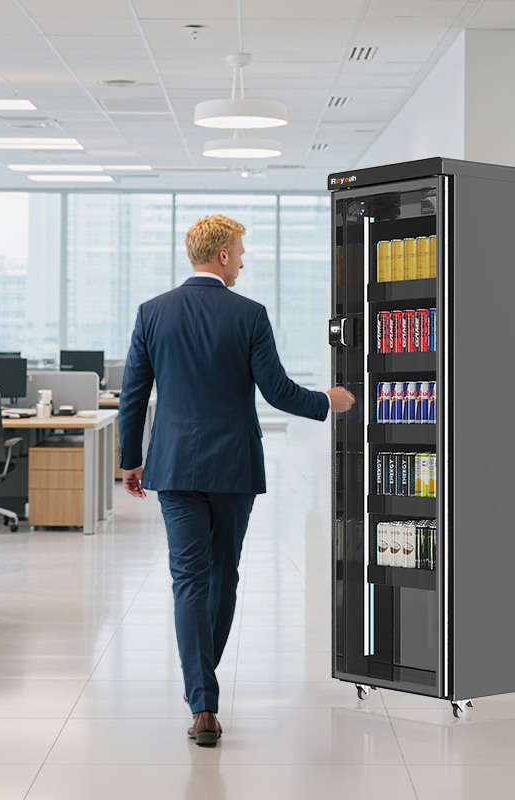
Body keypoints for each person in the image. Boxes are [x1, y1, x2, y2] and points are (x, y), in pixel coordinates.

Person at [118, 214, 355, 746]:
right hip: (233, 467)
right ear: (222, 254)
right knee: (223, 573)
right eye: (241, 251)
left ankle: (202, 698)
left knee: (188, 578)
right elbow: (277, 391)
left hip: (175, 467)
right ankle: (203, 686)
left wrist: (130, 460)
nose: (244, 260)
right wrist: (329, 402)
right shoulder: (249, 314)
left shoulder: (152, 313)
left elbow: (132, 395)